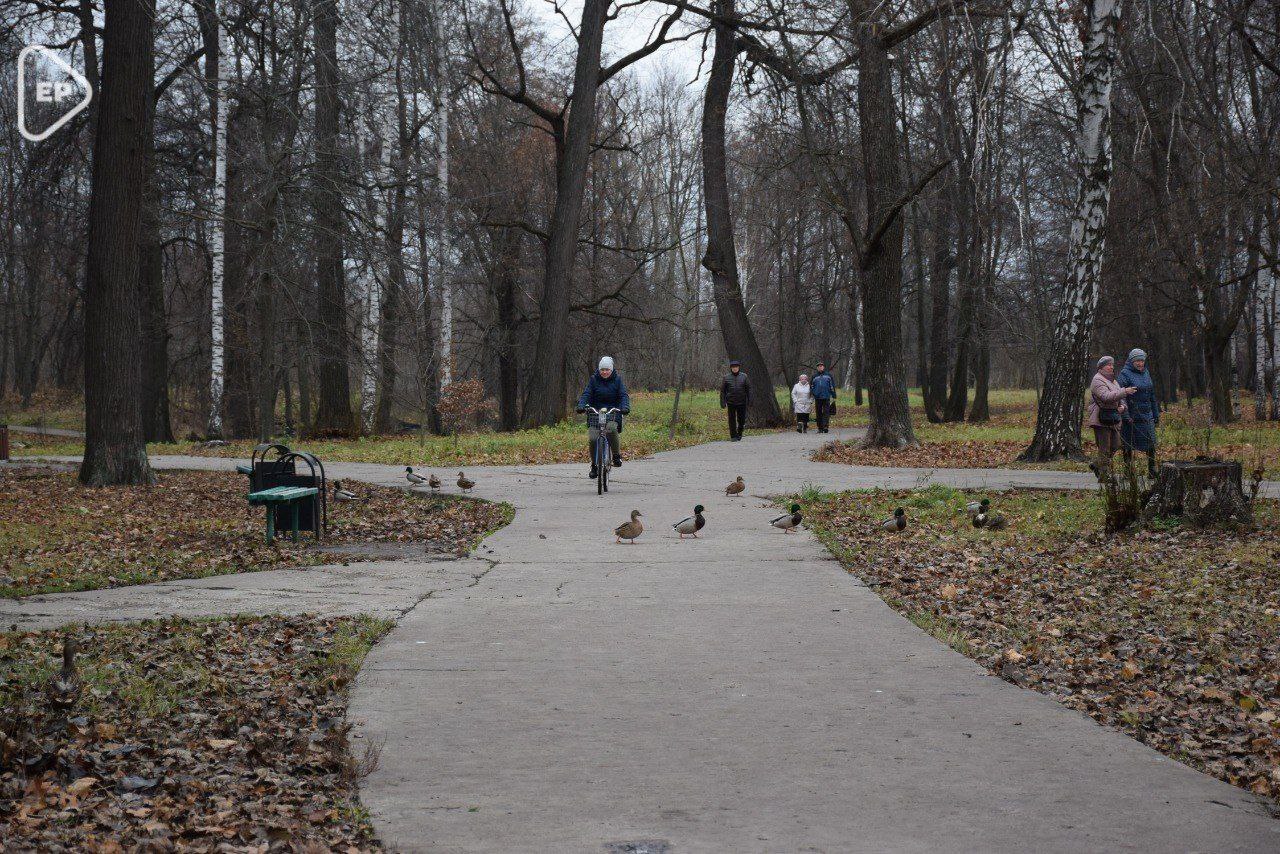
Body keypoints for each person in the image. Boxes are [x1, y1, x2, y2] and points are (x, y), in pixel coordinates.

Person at [576, 356, 630, 479]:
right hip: (596, 412)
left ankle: (616, 456)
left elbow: (623, 395)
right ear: (599, 370)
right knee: (593, 437)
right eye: (602, 370)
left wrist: (625, 407)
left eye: (607, 370)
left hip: (612, 412)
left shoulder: (617, 380)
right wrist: (581, 405)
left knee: (611, 429)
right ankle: (594, 465)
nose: (604, 372)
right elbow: (587, 394)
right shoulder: (594, 380)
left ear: (611, 370)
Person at [1086, 355, 1136, 476]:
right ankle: (1104, 475)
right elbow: (1106, 397)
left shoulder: (1113, 380)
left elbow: (1121, 399)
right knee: (1104, 448)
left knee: (1115, 445)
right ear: (1101, 367)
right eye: (1108, 365)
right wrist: (1125, 391)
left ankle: (1097, 464)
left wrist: (1123, 407)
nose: (1111, 367)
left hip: (1114, 417)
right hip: (1101, 417)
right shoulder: (1097, 380)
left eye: (1112, 365)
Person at [1119, 348, 1160, 477]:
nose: (1140, 363)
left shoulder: (1146, 372)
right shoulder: (1124, 374)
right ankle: (1128, 471)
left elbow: (1151, 395)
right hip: (1131, 416)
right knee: (1128, 445)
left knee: (1150, 443)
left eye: (1142, 360)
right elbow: (1121, 396)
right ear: (1131, 361)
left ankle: (1152, 470)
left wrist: (1155, 414)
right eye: (1137, 360)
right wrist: (1126, 415)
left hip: (1147, 416)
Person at [720, 359, 751, 441]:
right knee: (731, 419)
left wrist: (750, 400)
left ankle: (739, 432)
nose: (734, 368)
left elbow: (748, 389)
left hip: (742, 401)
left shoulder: (744, 376)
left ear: (739, 367)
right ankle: (733, 436)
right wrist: (722, 402)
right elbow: (722, 391)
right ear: (731, 368)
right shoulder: (726, 378)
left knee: (741, 420)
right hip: (731, 402)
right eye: (733, 367)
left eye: (736, 367)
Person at [810, 361, 836, 433]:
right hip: (817, 397)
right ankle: (820, 428)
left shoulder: (828, 375)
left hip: (826, 396)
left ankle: (825, 427)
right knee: (818, 413)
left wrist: (833, 395)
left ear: (823, 367)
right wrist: (813, 394)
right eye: (818, 366)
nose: (820, 367)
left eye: (821, 366)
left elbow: (832, 386)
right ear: (817, 368)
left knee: (826, 412)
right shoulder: (814, 376)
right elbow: (811, 386)